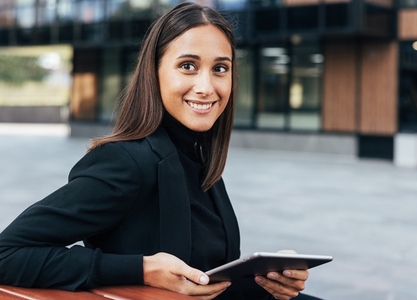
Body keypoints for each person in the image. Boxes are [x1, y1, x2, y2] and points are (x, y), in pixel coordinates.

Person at [0, 3, 315, 299]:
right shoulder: (126, 162)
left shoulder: (199, 157)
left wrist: (270, 283)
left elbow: (205, 283)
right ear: (154, 72)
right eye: (188, 66)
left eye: (220, 68)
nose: (207, 86)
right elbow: (7, 253)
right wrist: (143, 269)